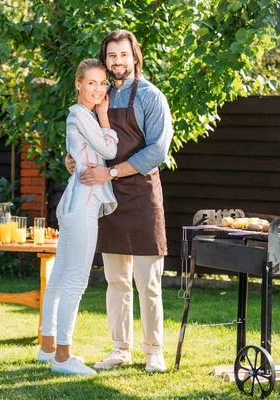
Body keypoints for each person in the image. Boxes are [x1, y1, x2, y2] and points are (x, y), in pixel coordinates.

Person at [70, 29, 173, 373]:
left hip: (142, 195)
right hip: (107, 198)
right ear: (105, 59)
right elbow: (86, 140)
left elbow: (158, 150)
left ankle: (154, 351)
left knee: (148, 281)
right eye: (111, 55)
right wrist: (74, 161)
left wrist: (111, 173)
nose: (117, 61)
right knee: (116, 280)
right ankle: (120, 349)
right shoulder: (98, 96)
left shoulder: (149, 96)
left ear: (134, 57)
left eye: (123, 55)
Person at [38, 58, 118, 376]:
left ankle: (47, 348)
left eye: (103, 84)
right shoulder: (83, 115)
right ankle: (63, 356)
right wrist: (104, 115)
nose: (98, 89)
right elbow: (110, 149)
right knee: (75, 281)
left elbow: (83, 155)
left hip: (73, 204)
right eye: (91, 83)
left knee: (59, 279)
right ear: (79, 84)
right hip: (82, 205)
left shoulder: (79, 117)